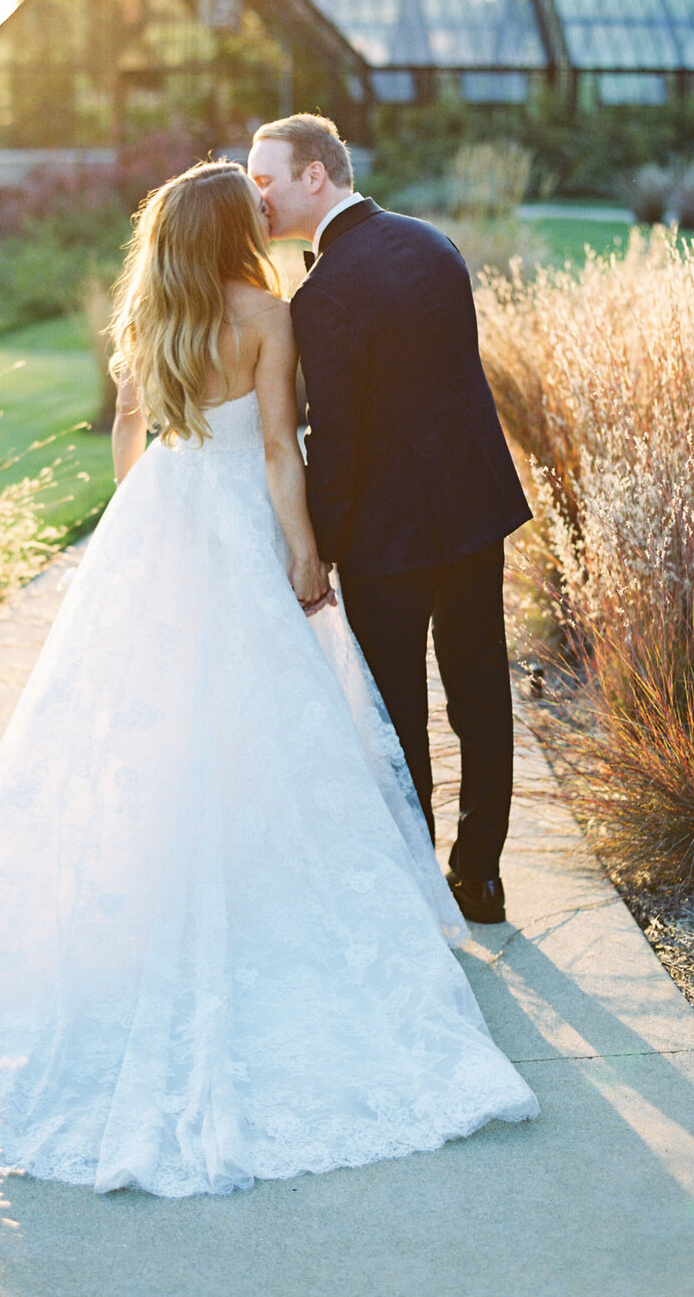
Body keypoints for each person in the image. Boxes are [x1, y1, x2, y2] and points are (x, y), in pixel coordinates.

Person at [0, 161, 537, 1197]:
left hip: (156, 524)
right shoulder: (266, 313)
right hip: (234, 522)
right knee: (264, 725)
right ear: (232, 233)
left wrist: (151, 517)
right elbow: (275, 453)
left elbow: (131, 433)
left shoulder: (146, 314)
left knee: (141, 728)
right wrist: (304, 554)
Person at [247, 116, 532, 926]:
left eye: (265, 179)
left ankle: (418, 877)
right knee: (481, 693)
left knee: (397, 708)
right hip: (473, 510)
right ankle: (480, 876)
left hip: (388, 536)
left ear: (315, 175)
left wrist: (320, 549)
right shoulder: (433, 243)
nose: (256, 195)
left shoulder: (323, 293)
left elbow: (336, 438)